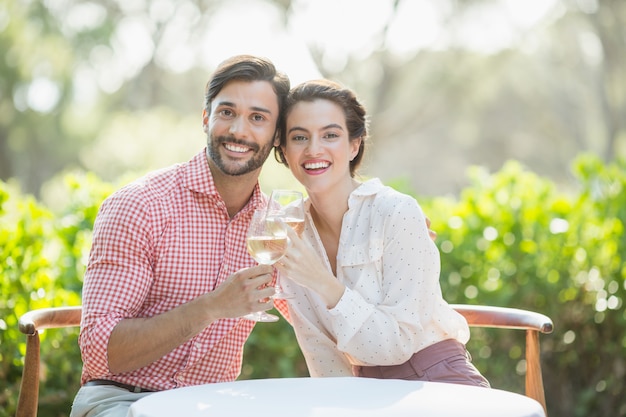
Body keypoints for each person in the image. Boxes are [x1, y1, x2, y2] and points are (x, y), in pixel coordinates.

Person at [70, 55, 292, 417]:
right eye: (226, 112)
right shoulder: (140, 206)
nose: (239, 130)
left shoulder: (275, 226)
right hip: (123, 399)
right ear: (206, 118)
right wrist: (213, 306)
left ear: (277, 134)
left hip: (214, 406)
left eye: (258, 118)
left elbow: (316, 315)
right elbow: (99, 351)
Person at [273, 79, 490, 387]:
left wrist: (322, 282)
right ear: (283, 148)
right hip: (367, 392)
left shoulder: (396, 212)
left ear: (353, 145)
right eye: (299, 137)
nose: (313, 149)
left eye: (330, 135)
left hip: (437, 380)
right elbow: (320, 351)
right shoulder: (289, 232)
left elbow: (398, 345)